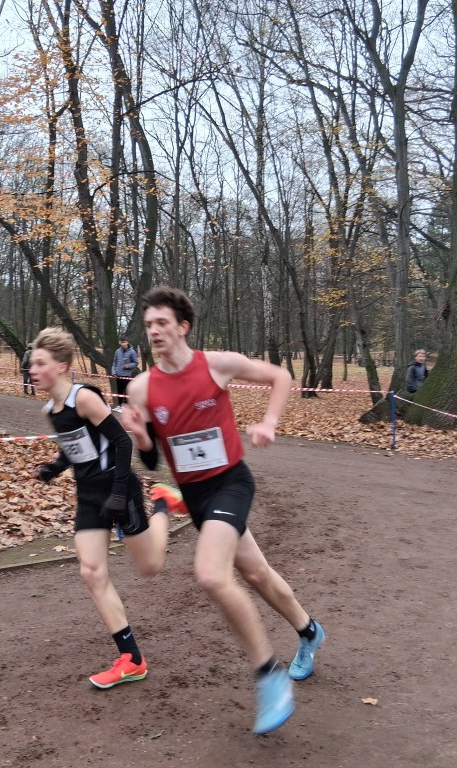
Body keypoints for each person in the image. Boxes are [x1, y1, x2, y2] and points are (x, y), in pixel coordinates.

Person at [120, 286, 324, 736]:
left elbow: (280, 377)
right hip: (195, 496)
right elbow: (152, 461)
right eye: (148, 324)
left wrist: (269, 422)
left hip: (230, 483)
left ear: (183, 326)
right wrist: (140, 436)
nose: (153, 331)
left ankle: (268, 675)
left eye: (162, 323)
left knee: (212, 575)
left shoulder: (217, 364)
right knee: (256, 573)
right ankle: (309, 631)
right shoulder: (141, 387)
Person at [30, 327, 183, 690]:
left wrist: (117, 493)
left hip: (119, 487)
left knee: (150, 566)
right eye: (31, 364)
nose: (32, 370)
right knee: (91, 572)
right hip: (89, 495)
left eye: (40, 363)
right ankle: (132, 658)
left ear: (62, 366)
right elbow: (77, 446)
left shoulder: (84, 398)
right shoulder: (51, 409)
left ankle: (163, 503)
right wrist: (56, 467)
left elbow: (120, 442)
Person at [110, 336, 138, 412]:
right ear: (120, 342)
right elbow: (114, 363)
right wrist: (113, 372)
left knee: (126, 391)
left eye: (124, 342)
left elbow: (135, 363)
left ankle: (126, 407)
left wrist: (128, 366)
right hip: (118, 375)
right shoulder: (117, 351)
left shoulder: (132, 352)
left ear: (127, 342)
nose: (123, 344)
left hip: (126, 375)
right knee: (119, 391)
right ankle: (119, 406)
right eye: (121, 342)